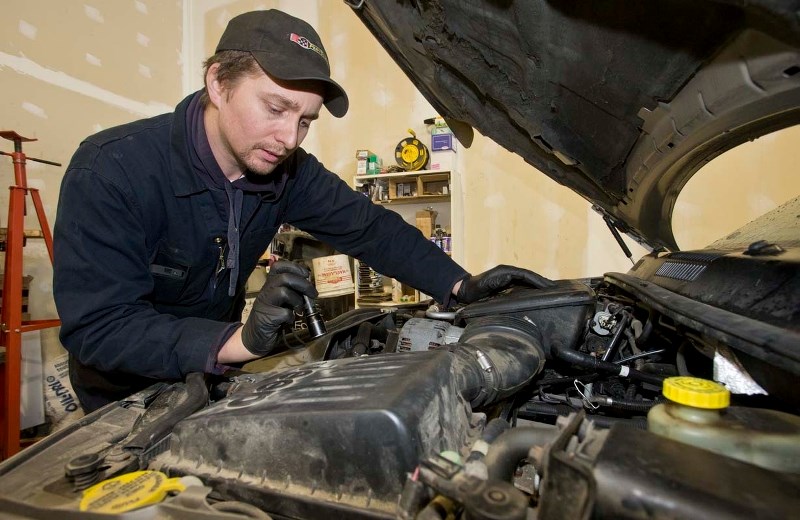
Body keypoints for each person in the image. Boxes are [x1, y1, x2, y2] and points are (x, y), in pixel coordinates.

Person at [53, 10, 554, 413]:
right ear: (217, 83)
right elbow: (100, 327)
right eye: (275, 108)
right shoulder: (111, 170)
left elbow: (371, 228)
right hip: (122, 400)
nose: (289, 138)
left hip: (208, 380)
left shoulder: (285, 168)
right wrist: (239, 341)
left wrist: (460, 285)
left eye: (305, 121)